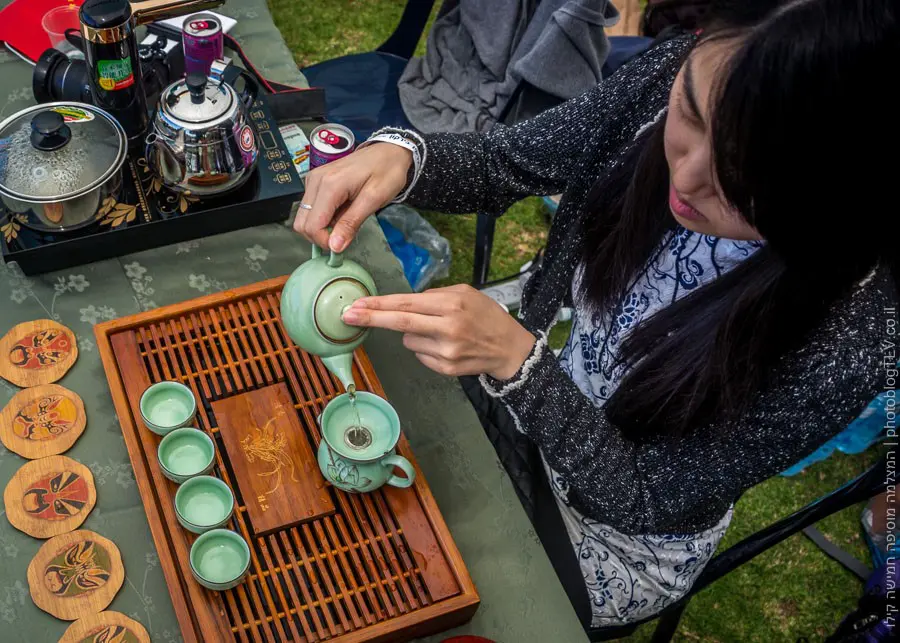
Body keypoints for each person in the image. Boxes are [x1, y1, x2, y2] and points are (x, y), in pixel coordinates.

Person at [294, 0, 899, 632]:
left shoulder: (855, 333)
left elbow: (648, 497)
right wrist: (403, 157)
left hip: (620, 534)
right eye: (689, 114)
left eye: (744, 177)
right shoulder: (670, 72)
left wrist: (520, 367)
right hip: (539, 402)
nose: (685, 177)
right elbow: (509, 161)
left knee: (402, 579)